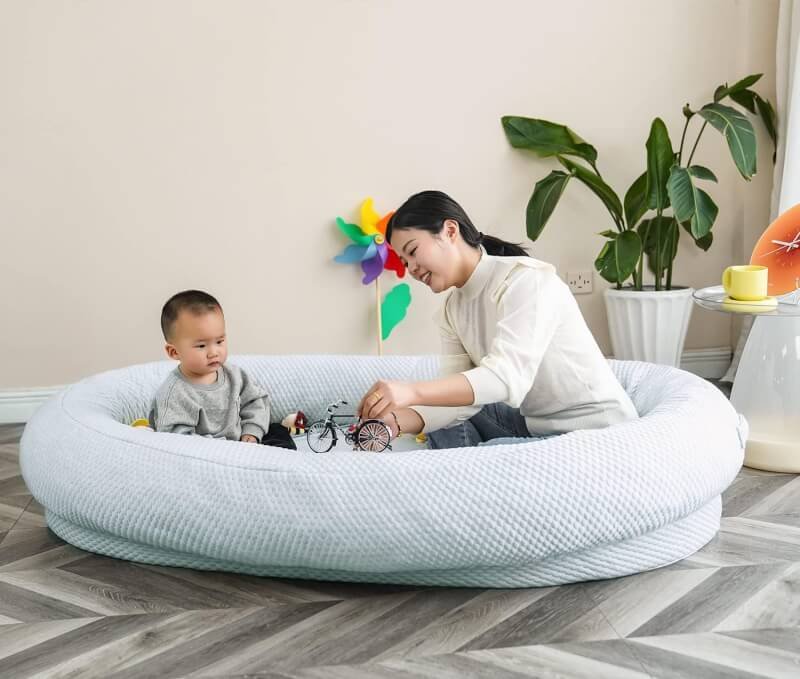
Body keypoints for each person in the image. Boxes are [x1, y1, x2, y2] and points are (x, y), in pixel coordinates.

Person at [357, 190, 638, 449]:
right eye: (404, 262)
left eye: (413, 251)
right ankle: (459, 474)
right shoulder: (452, 309)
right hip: (536, 428)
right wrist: (393, 423)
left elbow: (506, 378)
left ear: (450, 231)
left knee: (489, 454)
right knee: (442, 401)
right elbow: (455, 403)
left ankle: (462, 477)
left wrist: (411, 392)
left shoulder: (526, 280)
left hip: (596, 433)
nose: (411, 269)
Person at [149, 290, 271, 443]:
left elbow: (255, 402)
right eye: (201, 346)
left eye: (219, 341)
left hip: (243, 445)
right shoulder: (175, 394)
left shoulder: (234, 375)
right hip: (204, 458)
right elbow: (176, 441)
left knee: (280, 437)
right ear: (174, 352)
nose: (214, 352)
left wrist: (252, 432)